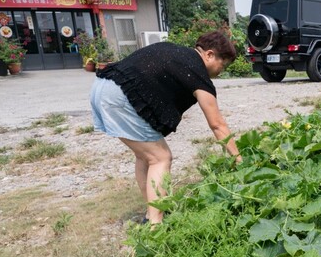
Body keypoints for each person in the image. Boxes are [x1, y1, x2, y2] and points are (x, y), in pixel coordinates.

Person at [90, 30, 240, 224]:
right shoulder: (197, 71)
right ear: (209, 54)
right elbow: (217, 124)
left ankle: (150, 215)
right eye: (223, 64)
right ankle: (156, 227)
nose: (222, 71)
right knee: (161, 159)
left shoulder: (177, 51)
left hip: (103, 88)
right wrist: (239, 160)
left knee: (145, 156)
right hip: (121, 97)